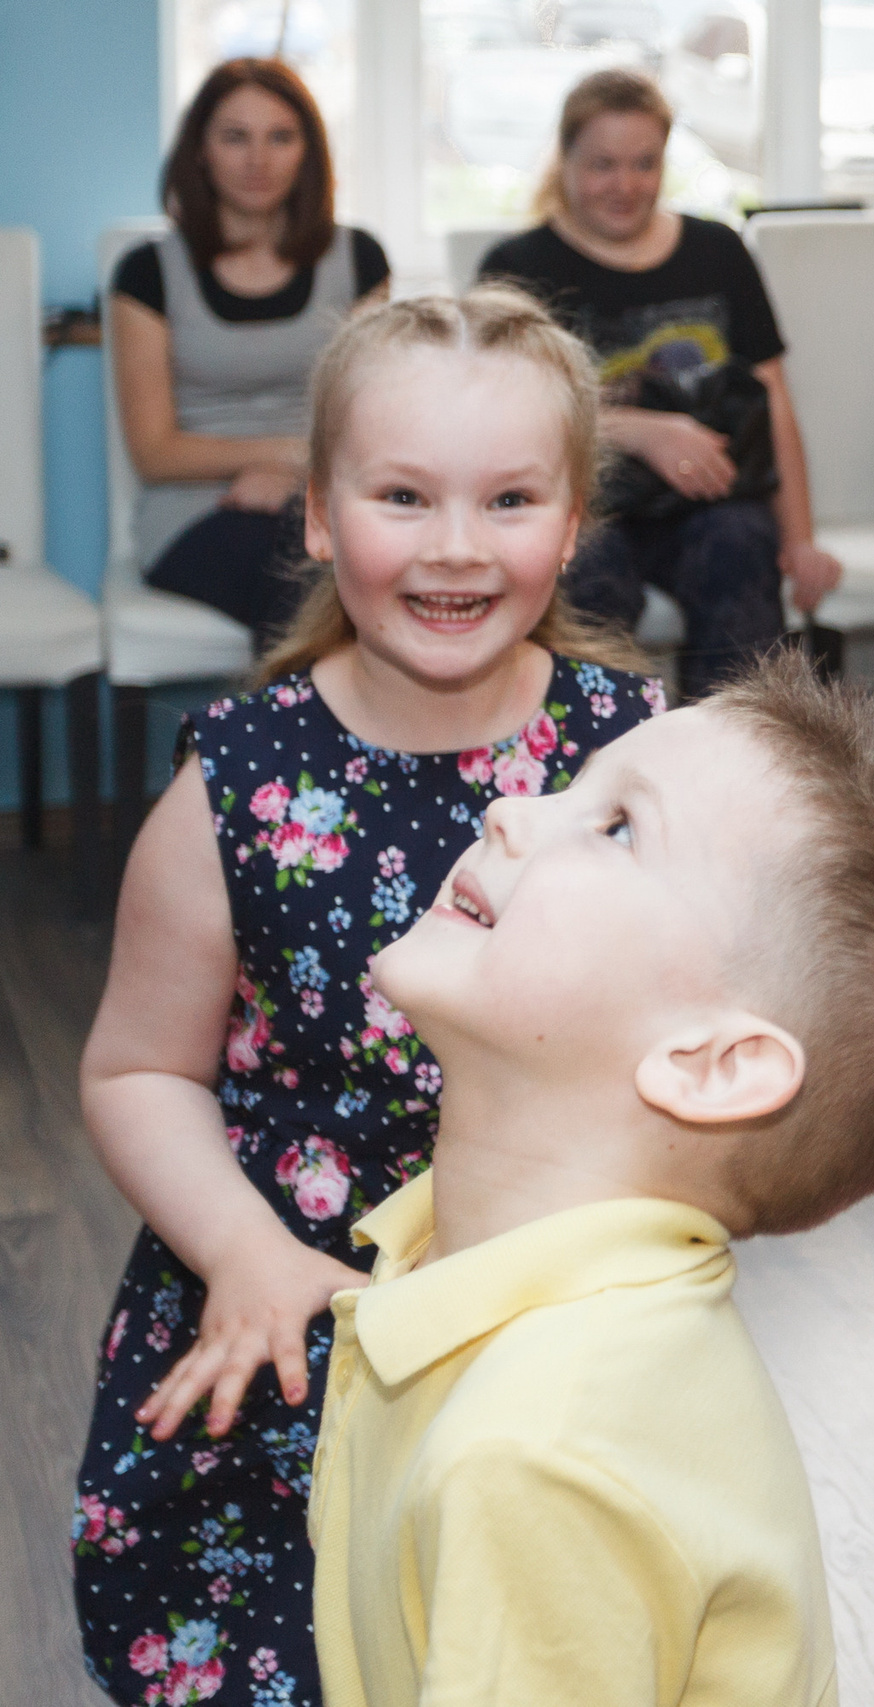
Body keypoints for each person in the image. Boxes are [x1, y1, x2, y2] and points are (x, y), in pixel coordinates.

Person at [72, 285, 660, 1707]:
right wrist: (243, 1250)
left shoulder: (638, 764)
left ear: (572, 522)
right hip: (286, 1325)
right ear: (322, 517)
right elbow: (137, 1070)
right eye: (404, 496)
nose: (456, 545)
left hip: (546, 1336)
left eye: (508, 498)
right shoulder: (234, 779)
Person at [309, 649, 874, 1707]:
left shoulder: (536, 1457)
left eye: (619, 827)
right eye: (572, 787)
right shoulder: (463, 1282)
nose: (508, 808)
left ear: (713, 1065)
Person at [479, 69, 842, 702]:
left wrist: (801, 539)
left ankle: (729, 748)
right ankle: (594, 754)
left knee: (740, 545)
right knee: (585, 576)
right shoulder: (516, 268)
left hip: (711, 506)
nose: (625, 185)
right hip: (584, 512)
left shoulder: (719, 250)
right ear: (565, 160)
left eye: (644, 164)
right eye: (603, 165)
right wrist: (640, 431)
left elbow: (774, 401)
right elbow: (495, 420)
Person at [113, 59, 389, 644]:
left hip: (331, 495)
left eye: (281, 137)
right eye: (235, 137)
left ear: (308, 152)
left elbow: (377, 420)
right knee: (307, 577)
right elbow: (154, 452)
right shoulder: (145, 272)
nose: (258, 159)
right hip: (198, 512)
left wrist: (302, 478)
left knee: (383, 564)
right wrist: (294, 457)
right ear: (200, 152)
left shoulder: (360, 259)